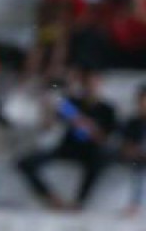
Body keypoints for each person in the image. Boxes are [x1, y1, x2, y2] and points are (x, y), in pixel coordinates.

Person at [16, 68, 117, 210]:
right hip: (68, 147)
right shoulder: (71, 103)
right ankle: (51, 198)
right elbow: (49, 125)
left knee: (98, 163)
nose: (90, 86)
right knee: (26, 162)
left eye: (94, 83)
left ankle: (79, 202)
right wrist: (47, 108)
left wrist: (90, 128)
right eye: (87, 83)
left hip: (90, 150)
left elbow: (107, 138)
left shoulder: (107, 109)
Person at [119, 84, 146, 214]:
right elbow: (125, 146)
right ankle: (135, 203)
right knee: (138, 166)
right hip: (137, 159)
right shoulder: (132, 123)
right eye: (141, 101)